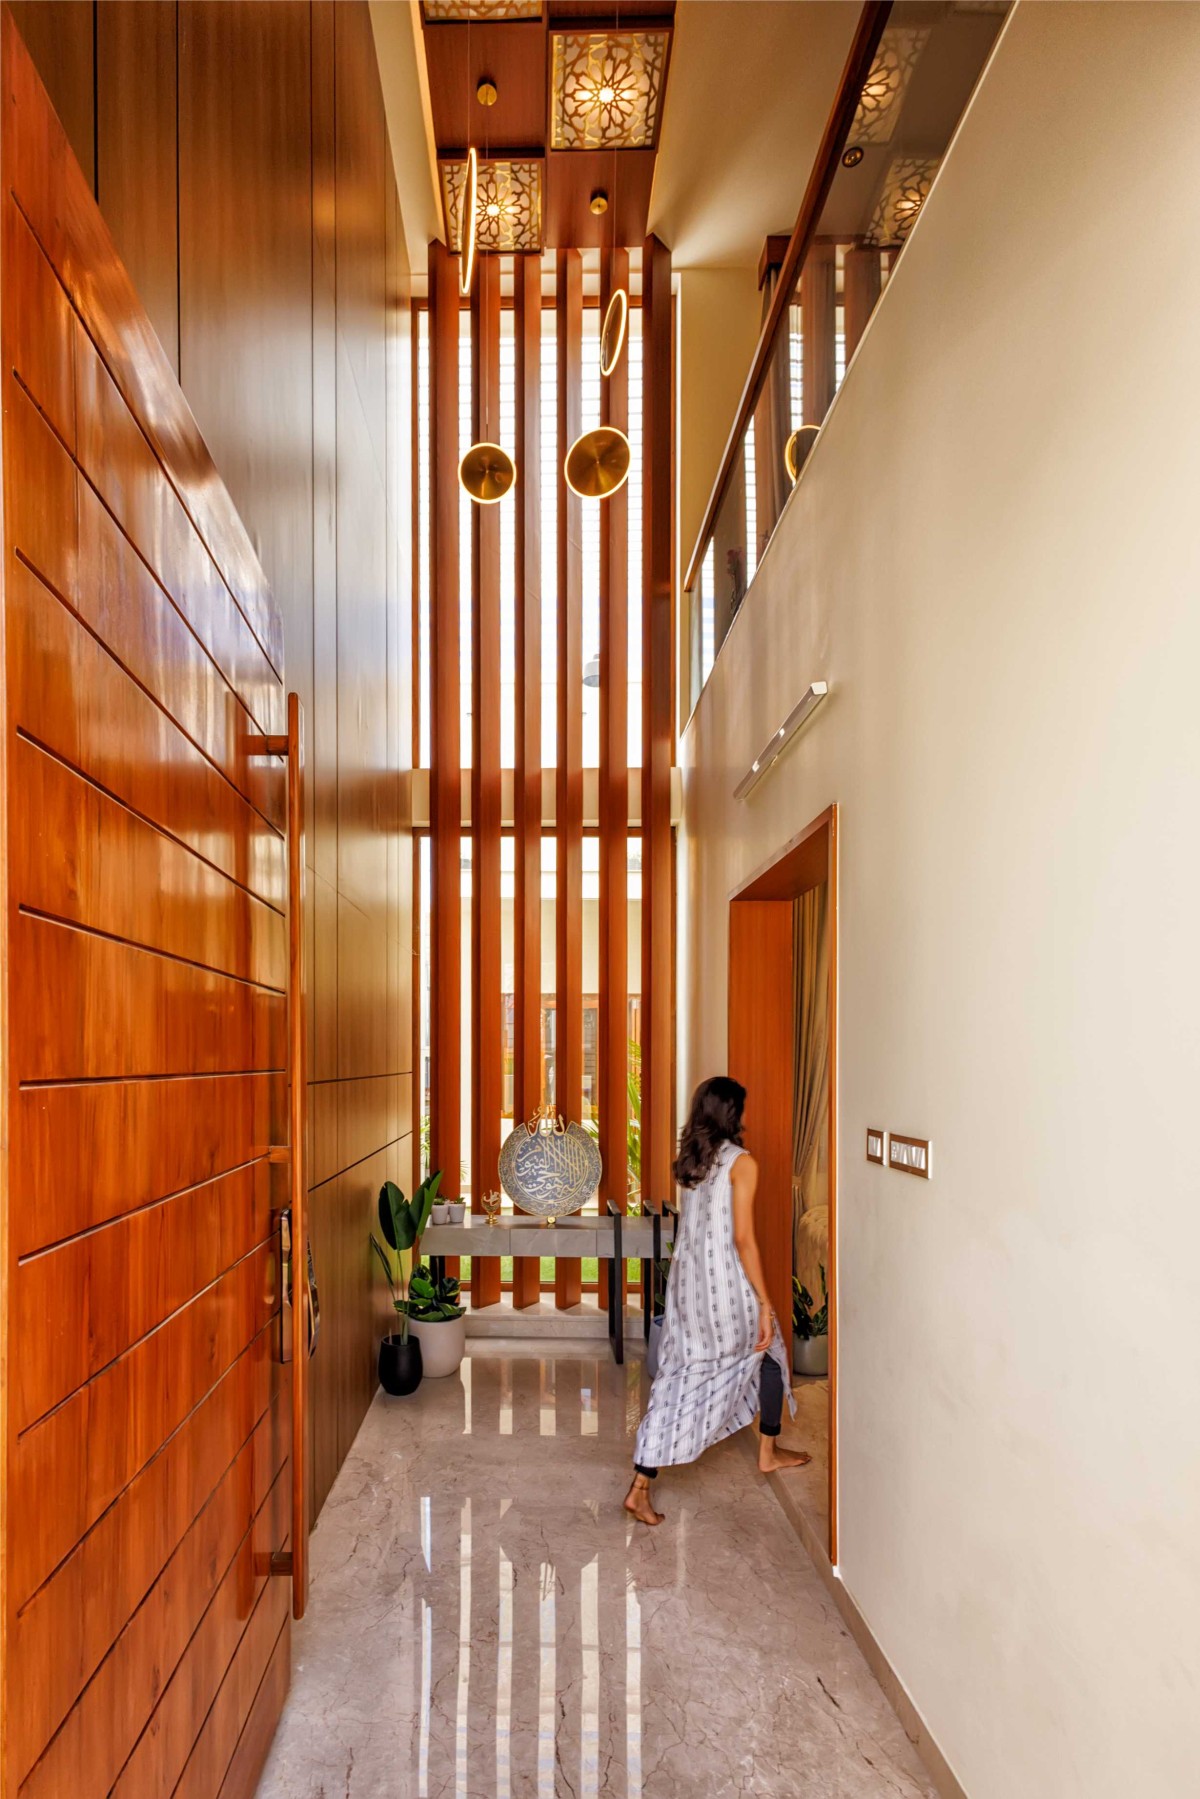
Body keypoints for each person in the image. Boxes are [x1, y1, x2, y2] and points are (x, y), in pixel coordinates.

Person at [624, 1075, 810, 1526]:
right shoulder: (741, 1163)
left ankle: (767, 1449)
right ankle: (639, 1485)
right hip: (727, 1289)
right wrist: (764, 1302)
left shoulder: (691, 1163)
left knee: (728, 1364)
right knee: (743, 1361)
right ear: (733, 1114)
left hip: (690, 1289)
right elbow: (743, 1239)